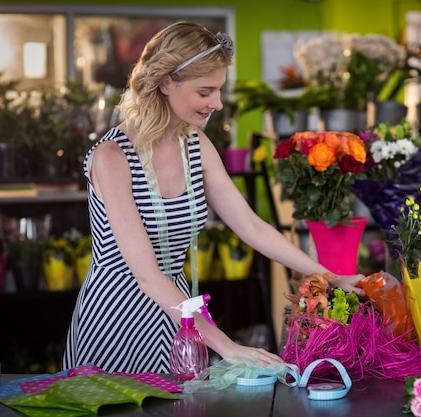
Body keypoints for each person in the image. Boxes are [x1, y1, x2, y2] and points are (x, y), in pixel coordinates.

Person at [63, 21, 365, 374]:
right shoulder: (112, 156)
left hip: (178, 319)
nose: (218, 103)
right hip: (116, 321)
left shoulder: (195, 145)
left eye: (219, 90)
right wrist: (225, 345)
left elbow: (251, 226)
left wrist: (329, 277)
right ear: (165, 83)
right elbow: (145, 275)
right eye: (205, 92)